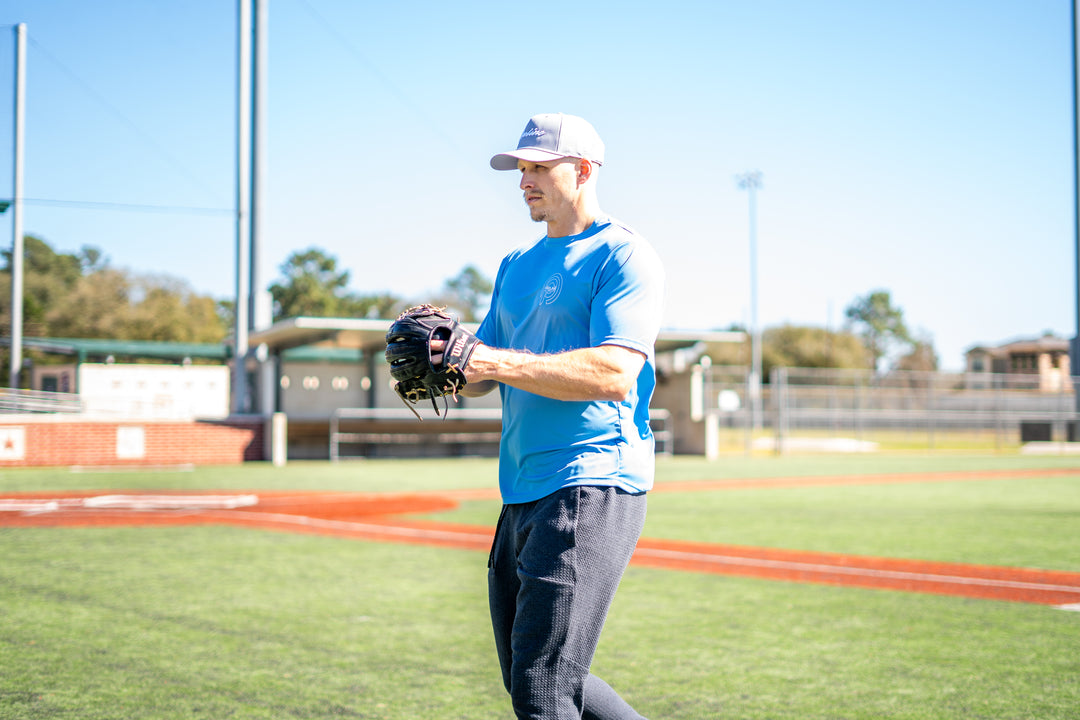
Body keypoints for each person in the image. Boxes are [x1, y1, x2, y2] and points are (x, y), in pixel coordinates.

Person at [460, 113, 665, 720]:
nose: (525, 180)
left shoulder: (624, 255)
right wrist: (445, 362)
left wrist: (492, 359)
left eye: (539, 167)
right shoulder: (515, 266)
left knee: (544, 685)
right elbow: (483, 371)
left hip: (592, 479)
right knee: (533, 675)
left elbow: (613, 372)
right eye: (520, 169)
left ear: (584, 169)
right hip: (521, 488)